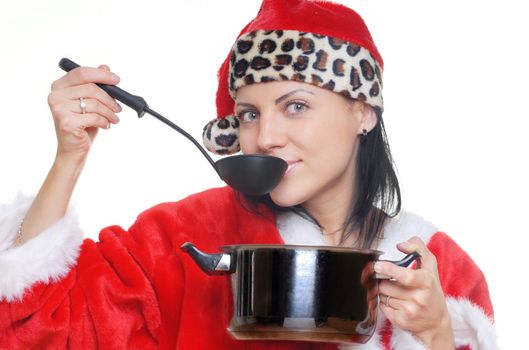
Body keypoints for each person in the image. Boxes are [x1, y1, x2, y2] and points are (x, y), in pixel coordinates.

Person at [0, 0, 498, 349]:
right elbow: (34, 328)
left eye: (296, 106)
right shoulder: (182, 238)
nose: (266, 138)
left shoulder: (437, 271)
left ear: (363, 112)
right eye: (249, 114)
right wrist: (70, 158)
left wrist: (435, 336)